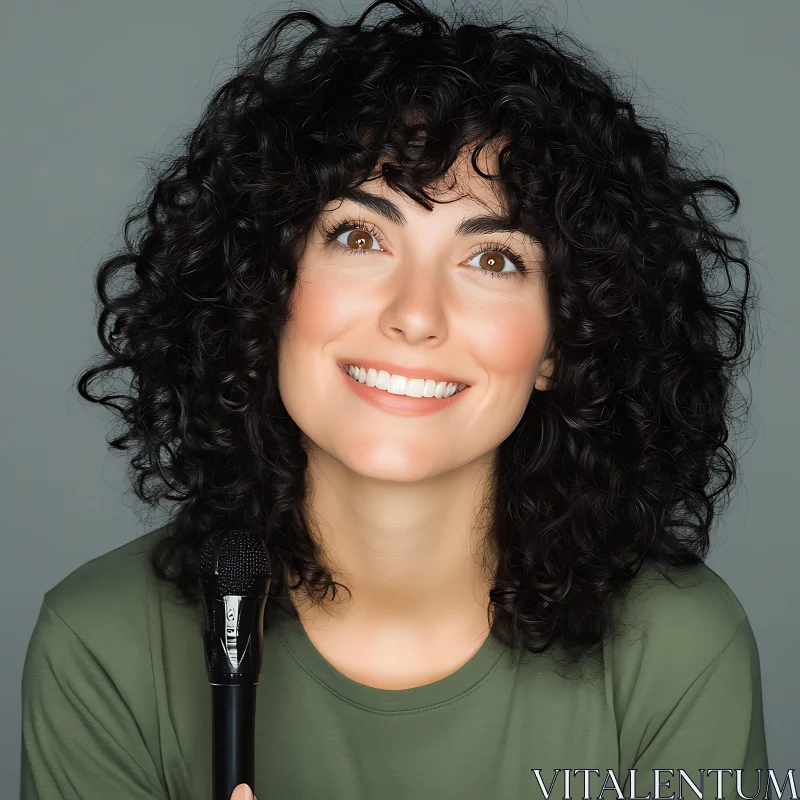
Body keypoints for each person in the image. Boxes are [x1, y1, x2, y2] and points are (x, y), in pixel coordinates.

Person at [21, 1, 768, 799]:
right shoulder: (102, 643)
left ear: (562, 340)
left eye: (493, 260)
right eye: (358, 237)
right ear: (264, 288)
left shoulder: (678, 647)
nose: (415, 315)